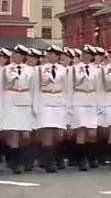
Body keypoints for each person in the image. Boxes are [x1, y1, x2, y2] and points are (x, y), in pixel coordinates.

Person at [1, 45, 38, 174]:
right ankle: (17, 162)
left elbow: (35, 90)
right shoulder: (5, 70)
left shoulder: (31, 70)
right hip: (9, 103)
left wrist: (35, 106)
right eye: (14, 54)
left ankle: (22, 158)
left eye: (18, 54)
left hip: (25, 103)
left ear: (23, 56)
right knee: (13, 134)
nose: (16, 56)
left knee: (25, 135)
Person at [35, 45, 69, 173]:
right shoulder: (40, 69)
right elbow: (36, 88)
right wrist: (36, 104)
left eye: (53, 54)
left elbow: (67, 88)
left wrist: (67, 104)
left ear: (58, 56)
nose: (50, 56)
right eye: (49, 54)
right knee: (47, 131)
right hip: (45, 101)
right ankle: (49, 162)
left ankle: (55, 158)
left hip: (59, 102)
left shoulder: (63, 70)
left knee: (58, 134)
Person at [70, 45, 102, 171]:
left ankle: (91, 156)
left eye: (88, 54)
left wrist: (100, 103)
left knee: (92, 132)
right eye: (84, 54)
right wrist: (70, 104)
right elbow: (69, 88)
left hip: (93, 100)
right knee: (81, 129)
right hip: (79, 99)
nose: (86, 56)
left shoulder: (98, 70)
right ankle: (82, 159)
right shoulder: (74, 69)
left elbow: (100, 88)